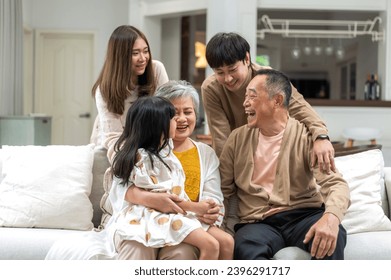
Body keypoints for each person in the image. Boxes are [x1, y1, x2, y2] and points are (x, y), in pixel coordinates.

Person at [219, 69, 350, 260]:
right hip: (258, 222)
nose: (245, 102)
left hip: (303, 215)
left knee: (334, 236)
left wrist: (331, 218)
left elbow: (337, 185)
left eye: (252, 96)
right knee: (246, 246)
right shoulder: (237, 138)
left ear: (277, 100)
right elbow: (221, 189)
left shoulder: (306, 137)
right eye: (245, 96)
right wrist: (216, 226)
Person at [114, 81, 234, 260]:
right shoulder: (142, 151)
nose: (181, 119)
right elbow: (119, 187)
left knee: (221, 243)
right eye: (174, 113)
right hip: (146, 216)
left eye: (188, 111)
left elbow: (214, 197)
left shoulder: (206, 153)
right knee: (139, 246)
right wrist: (150, 199)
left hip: (191, 218)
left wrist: (210, 210)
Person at [201, 32, 335, 173]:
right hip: (239, 157)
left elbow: (299, 107)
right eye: (220, 72)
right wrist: (229, 176)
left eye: (233, 70)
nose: (227, 78)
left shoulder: (269, 78)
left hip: (274, 151)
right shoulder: (211, 88)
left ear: (246, 59)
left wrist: (321, 136)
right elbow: (222, 138)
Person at [90, 25, 169, 163]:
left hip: (150, 148)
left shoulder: (156, 70)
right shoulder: (104, 89)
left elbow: (167, 115)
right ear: (120, 57)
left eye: (146, 51)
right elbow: (113, 137)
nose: (143, 58)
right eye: (135, 53)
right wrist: (132, 164)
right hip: (115, 149)